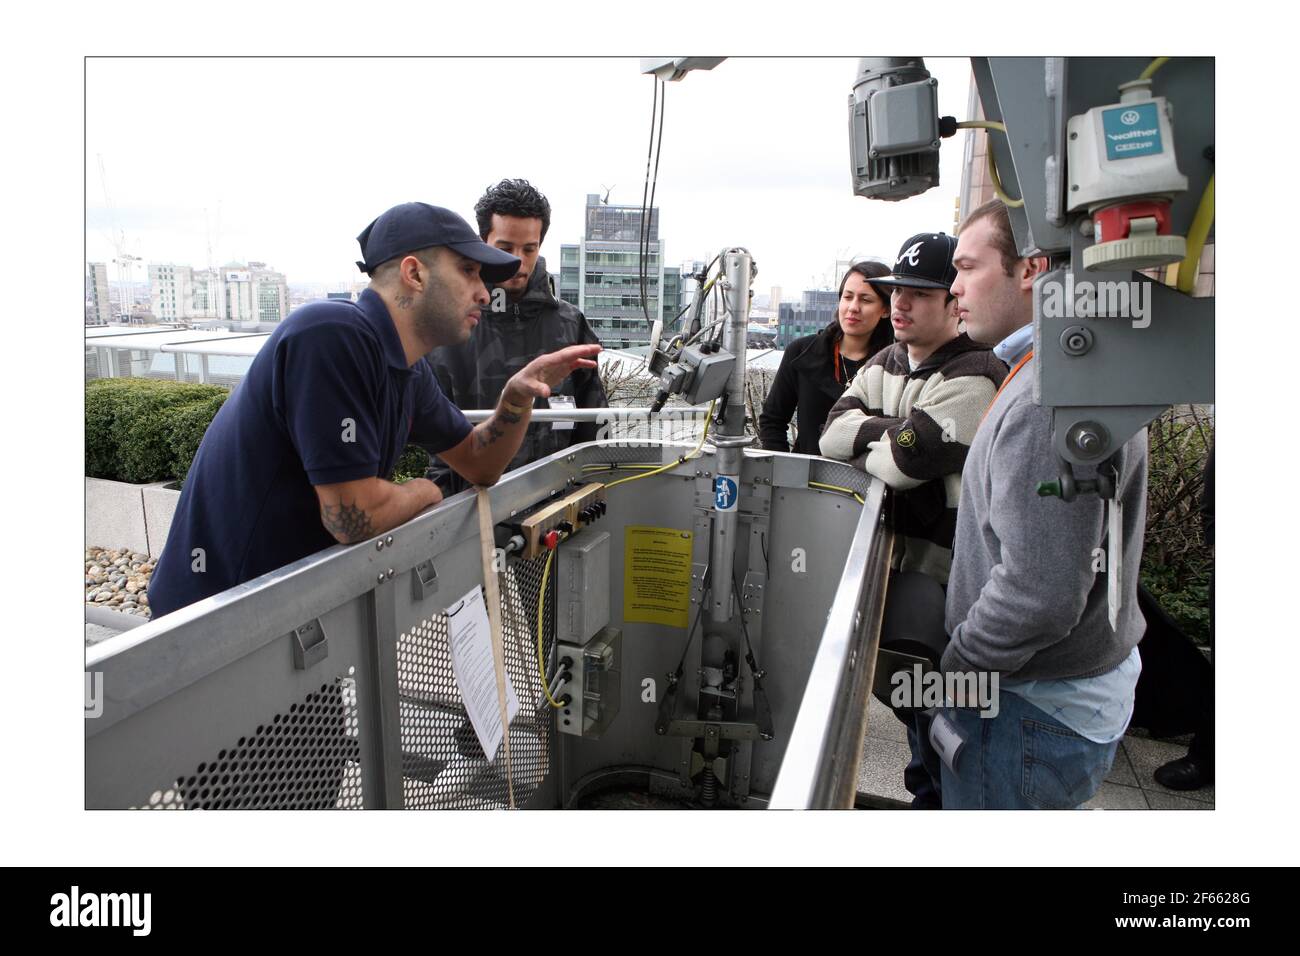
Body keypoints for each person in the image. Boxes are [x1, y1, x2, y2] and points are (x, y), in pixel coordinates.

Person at [149, 201, 601, 619]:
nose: (485, 294)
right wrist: (426, 491)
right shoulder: (331, 334)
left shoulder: (406, 369)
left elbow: (479, 464)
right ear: (414, 274)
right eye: (469, 271)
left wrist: (515, 400)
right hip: (214, 625)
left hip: (290, 614)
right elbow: (351, 515)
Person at [939, 198, 1148, 809]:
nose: (954, 289)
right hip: (1058, 696)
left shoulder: (1044, 398)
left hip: (1027, 708)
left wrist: (958, 669)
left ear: (1030, 269)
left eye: (967, 267)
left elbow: (1040, 593)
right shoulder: (1069, 365)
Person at [819, 232, 1007, 808]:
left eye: (919, 294)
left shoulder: (976, 373)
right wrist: (896, 430)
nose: (900, 304)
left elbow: (906, 461)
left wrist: (877, 432)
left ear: (953, 301)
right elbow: (831, 436)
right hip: (899, 565)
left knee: (952, 712)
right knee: (917, 711)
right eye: (897, 291)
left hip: (954, 577)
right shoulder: (889, 360)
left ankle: (945, 803)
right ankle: (927, 794)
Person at [426, 179, 607, 496]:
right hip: (471, 509)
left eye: (529, 248)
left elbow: (593, 427)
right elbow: (436, 448)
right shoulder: (453, 326)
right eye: (505, 248)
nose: (518, 262)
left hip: (557, 505)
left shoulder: (569, 324)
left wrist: (587, 495)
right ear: (483, 241)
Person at [757, 260, 894, 454]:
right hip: (805, 477)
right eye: (848, 297)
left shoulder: (895, 367)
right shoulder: (802, 352)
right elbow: (772, 420)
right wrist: (785, 472)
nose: (853, 307)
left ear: (886, 310)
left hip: (865, 480)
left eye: (866, 300)